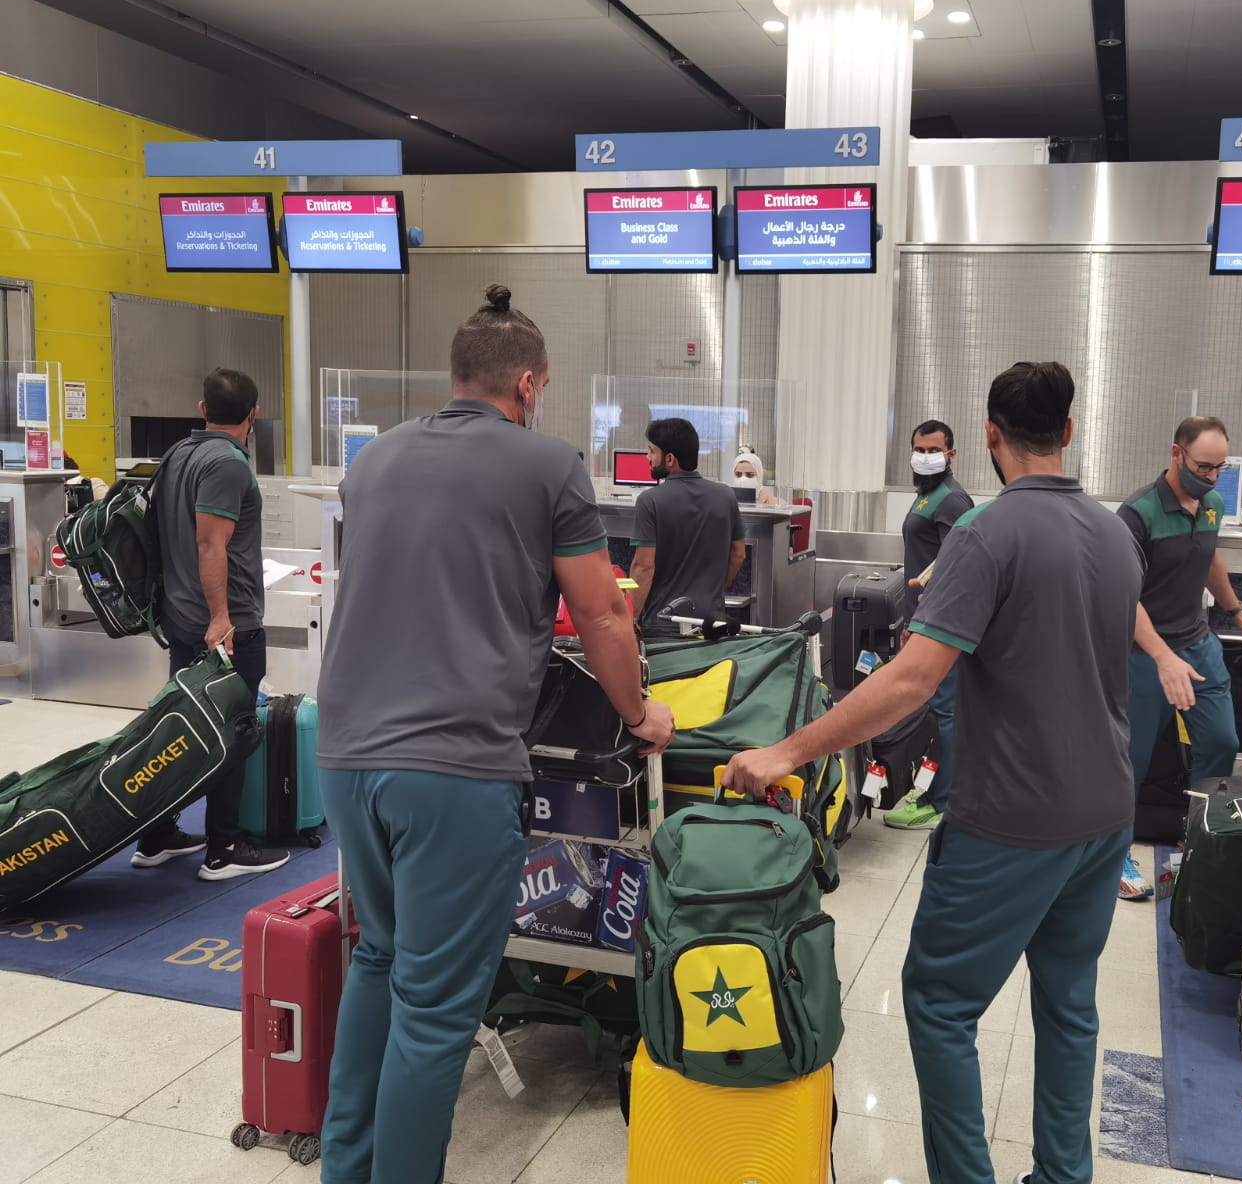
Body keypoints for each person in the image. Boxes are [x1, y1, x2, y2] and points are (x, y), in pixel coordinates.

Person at [724, 361, 1143, 1184]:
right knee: (1069, 1004)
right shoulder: (1115, 534)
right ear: (1068, 431)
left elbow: (912, 680)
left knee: (941, 1003)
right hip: (1105, 811)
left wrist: (786, 751)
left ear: (987, 436)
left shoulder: (985, 534)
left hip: (1013, 819)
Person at [314, 285, 675, 1184]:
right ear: (527, 383)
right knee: (436, 1012)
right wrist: (639, 715)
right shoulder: (549, 465)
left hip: (347, 758)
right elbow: (603, 615)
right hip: (455, 768)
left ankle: (345, 1170)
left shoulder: (374, 461)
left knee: (379, 960)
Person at [130, 368, 290, 881]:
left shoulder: (178, 454)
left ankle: (156, 836)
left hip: (180, 617)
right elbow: (210, 543)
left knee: (180, 731)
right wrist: (222, 617)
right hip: (224, 626)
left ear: (203, 410)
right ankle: (225, 848)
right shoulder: (227, 463)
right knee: (232, 733)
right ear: (254, 414)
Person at [1117, 416, 1242, 901]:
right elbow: (1124, 597)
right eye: (1203, 467)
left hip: (1198, 643)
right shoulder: (1137, 514)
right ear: (1176, 454)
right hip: (1143, 653)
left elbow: (1208, 557)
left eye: (1219, 468)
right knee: (1131, 759)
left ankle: (1198, 839)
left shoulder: (1212, 505)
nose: (1211, 477)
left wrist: (1237, 612)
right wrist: (1161, 656)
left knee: (1221, 741)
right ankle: (1113, 853)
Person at [884, 418, 973, 831]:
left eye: (934, 451)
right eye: (919, 450)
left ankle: (942, 802)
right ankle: (936, 790)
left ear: (951, 454)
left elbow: (958, 567)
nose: (925, 457)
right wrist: (911, 621)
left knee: (945, 713)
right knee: (936, 710)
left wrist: (929, 621)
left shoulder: (952, 500)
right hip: (925, 620)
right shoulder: (927, 495)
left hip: (942, 625)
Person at [629, 418, 746, 631]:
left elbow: (644, 566)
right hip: (712, 623)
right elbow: (738, 554)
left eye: (652, 451)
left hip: (664, 625)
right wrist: (713, 591)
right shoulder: (726, 496)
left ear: (670, 459)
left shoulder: (649, 501)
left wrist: (632, 617)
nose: (648, 457)